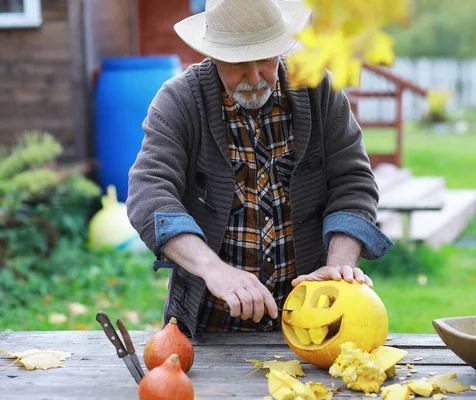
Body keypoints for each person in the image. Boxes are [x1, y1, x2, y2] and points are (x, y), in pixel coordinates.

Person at [126, 0, 394, 338]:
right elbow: (148, 195)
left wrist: (337, 266)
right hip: (209, 327)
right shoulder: (179, 100)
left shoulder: (318, 90)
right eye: (238, 63)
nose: (254, 77)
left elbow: (352, 183)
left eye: (266, 59)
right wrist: (215, 270)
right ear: (214, 55)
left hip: (312, 322)